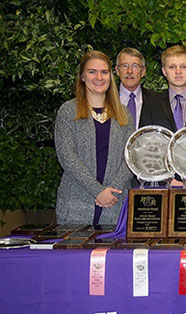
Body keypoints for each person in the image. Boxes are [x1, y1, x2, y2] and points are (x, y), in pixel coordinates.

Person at [54, 50, 135, 225]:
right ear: (82, 76)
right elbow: (67, 157)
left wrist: (111, 193)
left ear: (111, 76)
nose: (99, 77)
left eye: (104, 72)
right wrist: (97, 191)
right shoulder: (68, 111)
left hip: (116, 203)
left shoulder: (124, 114)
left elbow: (131, 157)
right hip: (76, 203)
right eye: (92, 71)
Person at [139, 45, 186, 133]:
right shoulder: (151, 105)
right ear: (164, 71)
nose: (178, 72)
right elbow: (144, 142)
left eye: (184, 67)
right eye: (172, 67)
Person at [115, 47, 157, 128]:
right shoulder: (106, 98)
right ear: (117, 70)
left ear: (143, 71)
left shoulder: (155, 101)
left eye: (135, 66)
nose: (129, 71)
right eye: (125, 66)